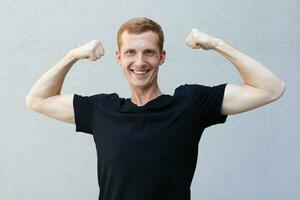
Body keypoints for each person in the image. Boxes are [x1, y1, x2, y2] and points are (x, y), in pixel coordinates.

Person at [25, 17, 286, 200]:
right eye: (130, 53)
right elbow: (37, 99)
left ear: (162, 57)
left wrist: (217, 44)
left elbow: (271, 88)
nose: (140, 62)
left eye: (149, 52)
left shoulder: (190, 104)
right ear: (118, 57)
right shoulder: (101, 110)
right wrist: (73, 55)